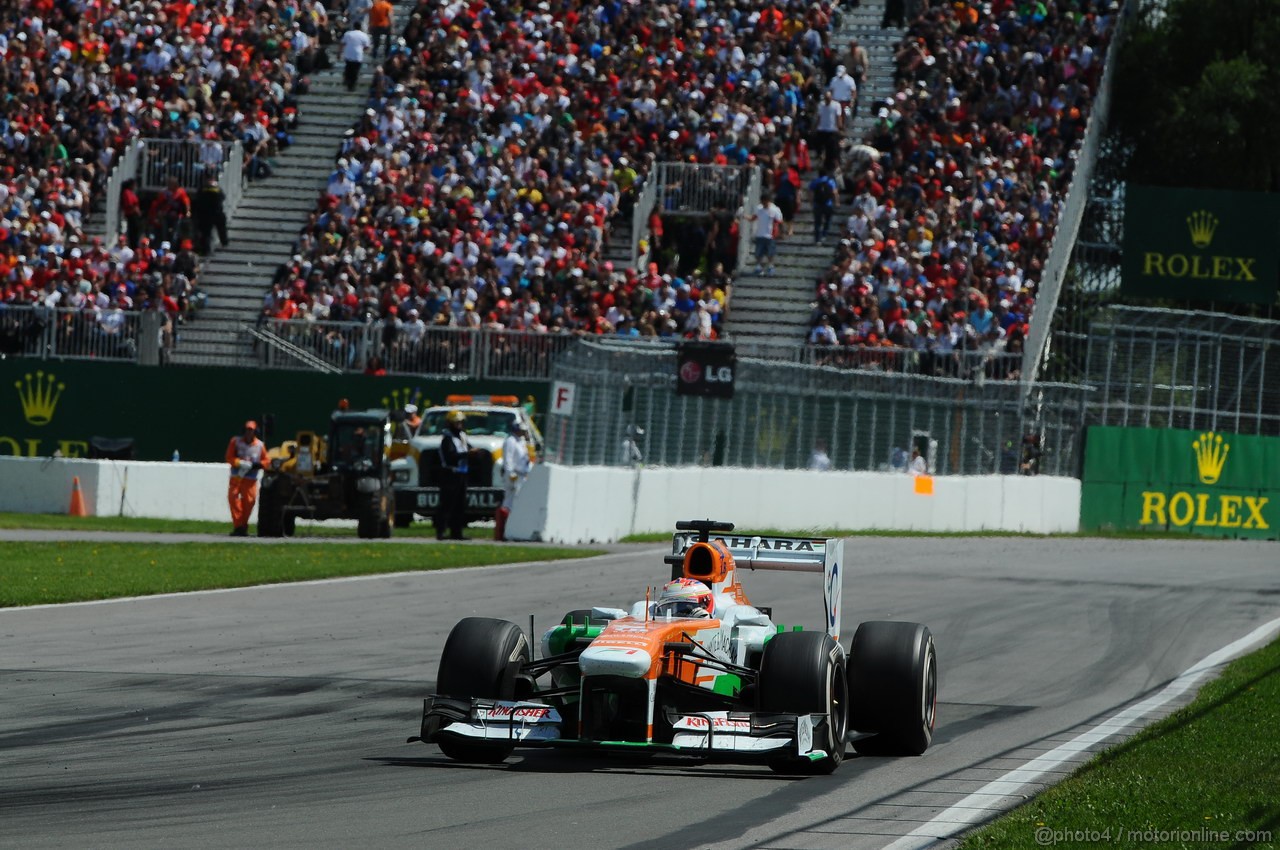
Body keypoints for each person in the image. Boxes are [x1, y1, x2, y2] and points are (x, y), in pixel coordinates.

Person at [226, 420, 267, 536]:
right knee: (233, 499)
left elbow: (266, 461)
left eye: (251, 431)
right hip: (237, 476)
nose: (249, 433)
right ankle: (238, 526)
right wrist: (239, 462)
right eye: (247, 430)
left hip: (250, 478)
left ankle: (243, 525)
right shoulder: (235, 442)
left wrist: (256, 465)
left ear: (255, 432)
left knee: (250, 501)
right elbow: (229, 457)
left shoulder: (260, 445)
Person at [435, 410, 470, 540]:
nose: (459, 424)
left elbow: (468, 449)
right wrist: (467, 455)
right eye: (456, 422)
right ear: (450, 423)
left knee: (460, 505)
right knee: (447, 504)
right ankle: (441, 531)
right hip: (450, 474)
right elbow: (450, 457)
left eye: (461, 422)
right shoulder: (447, 438)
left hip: (462, 474)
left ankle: (457, 532)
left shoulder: (463, 436)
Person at [496, 421, 531, 541]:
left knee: (518, 501)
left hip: (522, 475)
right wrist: (510, 473)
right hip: (513, 475)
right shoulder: (510, 441)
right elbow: (508, 459)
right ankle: (503, 530)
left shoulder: (521, 442)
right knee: (510, 501)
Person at [192, 176, 229, 256]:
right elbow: (223, 197)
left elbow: (197, 200)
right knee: (218, 230)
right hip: (214, 213)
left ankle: (207, 249)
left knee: (207, 233)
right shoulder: (217, 189)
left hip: (207, 214)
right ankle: (224, 242)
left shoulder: (202, 189)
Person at [749, 194, 783, 276]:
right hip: (760, 234)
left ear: (768, 200)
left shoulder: (775, 209)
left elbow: (779, 222)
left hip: (770, 235)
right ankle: (758, 267)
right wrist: (745, 217)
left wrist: (780, 233)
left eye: (765, 201)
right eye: (762, 201)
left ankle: (770, 266)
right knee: (758, 252)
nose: (763, 203)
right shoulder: (759, 208)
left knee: (770, 252)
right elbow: (753, 217)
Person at [809, 170, 839, 243]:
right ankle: (824, 235)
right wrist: (837, 202)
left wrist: (811, 203)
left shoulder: (815, 181)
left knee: (817, 222)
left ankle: (817, 239)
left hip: (817, 204)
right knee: (827, 220)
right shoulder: (830, 181)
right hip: (828, 204)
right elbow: (835, 192)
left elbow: (811, 193)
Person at [340, 27, 371, 91]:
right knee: (355, 72)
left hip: (348, 55)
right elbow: (367, 47)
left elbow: (342, 43)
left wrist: (339, 53)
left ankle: (348, 84)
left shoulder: (348, 34)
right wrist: (362, 49)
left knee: (348, 70)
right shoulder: (364, 35)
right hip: (357, 56)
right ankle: (352, 86)